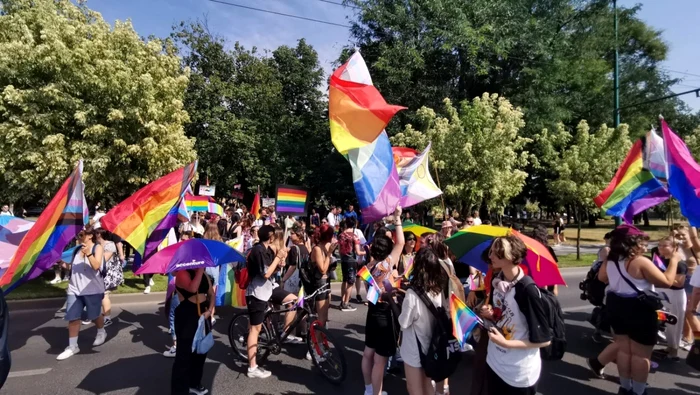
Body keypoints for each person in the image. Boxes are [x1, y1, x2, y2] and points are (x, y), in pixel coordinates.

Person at [597, 225, 679, 395]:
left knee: (624, 350)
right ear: (631, 243)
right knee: (641, 355)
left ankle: (625, 387)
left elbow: (601, 277)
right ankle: (639, 391)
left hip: (615, 305)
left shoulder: (611, 259)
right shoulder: (640, 261)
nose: (644, 246)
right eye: (641, 243)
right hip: (638, 309)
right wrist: (675, 260)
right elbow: (667, 281)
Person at [480, 235, 552, 394]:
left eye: (496, 252)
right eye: (491, 251)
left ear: (511, 257)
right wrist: (490, 313)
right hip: (494, 362)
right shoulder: (497, 281)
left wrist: (506, 344)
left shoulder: (527, 290)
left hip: (518, 373)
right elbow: (499, 314)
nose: (490, 256)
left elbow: (544, 340)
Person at [362, 206, 404, 395]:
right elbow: (401, 242)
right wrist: (398, 219)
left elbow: (368, 289)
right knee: (380, 360)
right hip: (385, 313)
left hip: (372, 311)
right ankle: (377, 394)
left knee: (368, 353)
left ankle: (368, 389)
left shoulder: (367, 267)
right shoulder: (387, 264)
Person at [245, 225, 297, 379]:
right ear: (271, 236)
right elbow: (266, 273)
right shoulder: (258, 250)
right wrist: (277, 258)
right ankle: (252, 367)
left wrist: (280, 263)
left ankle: (283, 332)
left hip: (269, 289)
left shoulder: (266, 249)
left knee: (295, 301)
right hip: (257, 293)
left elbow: (272, 271)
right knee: (255, 329)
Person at [397, 248, 448, 395]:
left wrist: (395, 302)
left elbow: (403, 323)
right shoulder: (438, 289)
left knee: (414, 389)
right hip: (432, 345)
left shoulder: (412, 294)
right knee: (427, 385)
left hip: (415, 349)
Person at [57, 227, 108, 360]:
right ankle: (73, 346)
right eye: (78, 235)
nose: (78, 237)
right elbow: (72, 267)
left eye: (81, 234)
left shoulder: (97, 248)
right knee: (73, 317)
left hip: (92, 289)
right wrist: (61, 263)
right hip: (74, 289)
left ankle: (101, 331)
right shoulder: (76, 249)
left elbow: (96, 266)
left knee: (94, 315)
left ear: (90, 236)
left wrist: (88, 254)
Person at [171, 267, 215, 395]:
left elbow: (211, 293)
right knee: (184, 354)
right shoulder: (182, 274)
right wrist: (200, 271)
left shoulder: (204, 274)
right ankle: (179, 390)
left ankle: (194, 383)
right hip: (187, 315)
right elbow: (192, 288)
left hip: (203, 314)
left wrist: (209, 310)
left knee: (201, 352)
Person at [654, 236, 688, 361]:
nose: (661, 248)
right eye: (659, 245)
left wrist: (659, 276)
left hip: (674, 296)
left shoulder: (680, 264)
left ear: (675, 247)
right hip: (662, 294)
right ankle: (669, 346)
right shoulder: (659, 260)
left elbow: (679, 283)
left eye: (665, 245)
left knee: (675, 323)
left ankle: (674, 350)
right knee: (665, 322)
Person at [164, 231, 193, 358]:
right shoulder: (195, 254)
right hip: (193, 293)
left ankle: (176, 346)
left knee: (173, 316)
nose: (181, 241)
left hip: (183, 292)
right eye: (180, 238)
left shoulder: (182, 254)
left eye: (183, 239)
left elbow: (176, 273)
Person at [95, 229, 123, 328]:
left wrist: (93, 254)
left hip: (108, 274)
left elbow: (104, 259)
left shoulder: (110, 244)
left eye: (97, 233)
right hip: (98, 272)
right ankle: (95, 315)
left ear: (101, 234)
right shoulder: (96, 245)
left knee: (104, 295)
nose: (95, 235)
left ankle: (107, 318)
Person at [339, 218, 366, 311]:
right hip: (351, 260)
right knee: (350, 282)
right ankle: (346, 303)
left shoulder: (341, 235)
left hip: (343, 260)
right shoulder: (354, 237)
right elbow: (358, 252)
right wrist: (365, 252)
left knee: (344, 281)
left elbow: (339, 250)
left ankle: (342, 301)